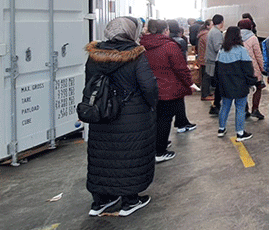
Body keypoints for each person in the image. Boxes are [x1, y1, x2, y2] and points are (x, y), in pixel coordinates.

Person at [84, 16, 157, 217]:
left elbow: (90, 84)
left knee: (102, 157)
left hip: (101, 114)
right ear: (131, 32)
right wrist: (151, 105)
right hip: (131, 116)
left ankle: (101, 201)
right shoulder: (136, 55)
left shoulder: (95, 55)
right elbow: (148, 86)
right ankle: (130, 201)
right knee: (129, 156)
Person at [140, 19, 196, 163]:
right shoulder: (169, 46)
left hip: (148, 88)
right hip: (167, 89)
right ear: (165, 31)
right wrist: (189, 83)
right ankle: (160, 151)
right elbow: (181, 68)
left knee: (154, 119)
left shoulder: (142, 45)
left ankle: (157, 143)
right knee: (165, 120)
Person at [215, 26, 258, 141]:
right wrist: (252, 82)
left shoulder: (221, 51)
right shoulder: (241, 50)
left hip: (225, 85)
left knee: (225, 106)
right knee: (240, 108)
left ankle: (221, 129)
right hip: (240, 85)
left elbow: (217, 70)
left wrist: (218, 83)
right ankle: (240, 133)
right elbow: (248, 69)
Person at [239, 18, 265, 120]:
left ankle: (245, 110)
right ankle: (255, 109)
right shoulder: (253, 38)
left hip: (240, 67)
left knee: (243, 89)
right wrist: (263, 68)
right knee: (258, 87)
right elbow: (258, 55)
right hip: (252, 67)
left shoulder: (235, 37)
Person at [205, 14, 225, 115]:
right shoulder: (216, 32)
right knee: (218, 85)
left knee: (217, 84)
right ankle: (216, 105)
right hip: (214, 60)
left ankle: (216, 104)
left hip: (211, 59)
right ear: (221, 22)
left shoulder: (212, 31)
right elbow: (217, 48)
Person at [196, 19, 213, 101]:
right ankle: (205, 95)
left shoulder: (203, 34)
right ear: (207, 26)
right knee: (206, 77)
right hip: (206, 59)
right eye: (212, 25)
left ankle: (207, 92)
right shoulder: (206, 35)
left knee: (205, 77)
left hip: (203, 58)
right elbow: (209, 46)